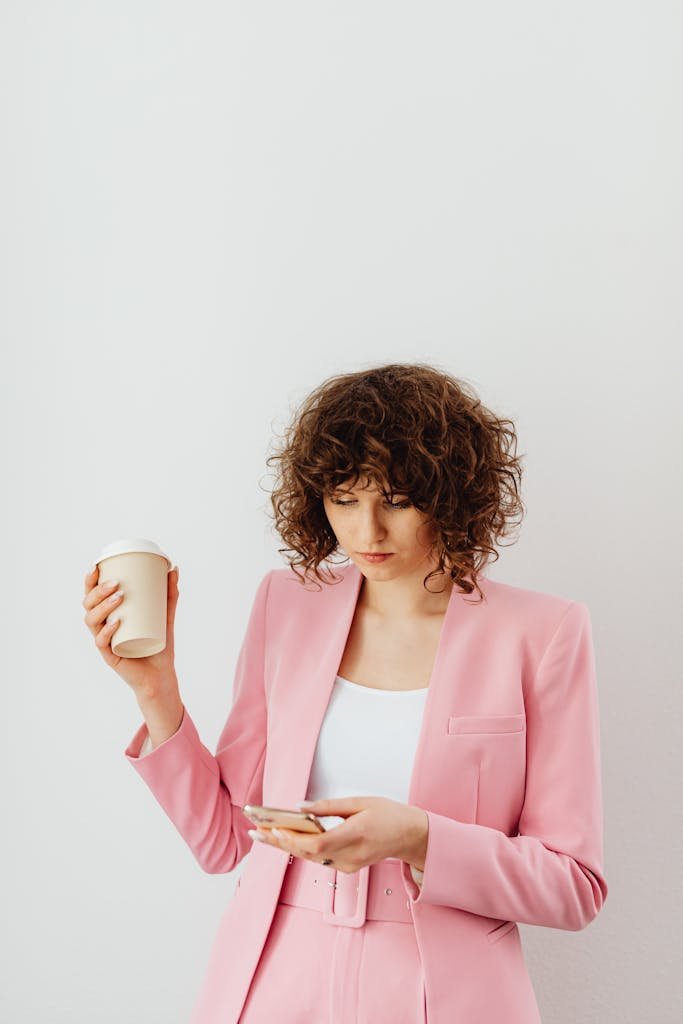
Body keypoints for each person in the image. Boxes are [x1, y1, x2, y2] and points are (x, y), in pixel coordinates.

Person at [82, 362, 608, 1022]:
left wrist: (418, 838)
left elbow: (574, 887)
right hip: (276, 975)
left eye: (395, 501)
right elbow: (224, 840)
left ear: (450, 495)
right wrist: (154, 689)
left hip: (444, 989)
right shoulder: (287, 605)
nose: (365, 533)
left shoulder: (543, 632)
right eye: (343, 499)